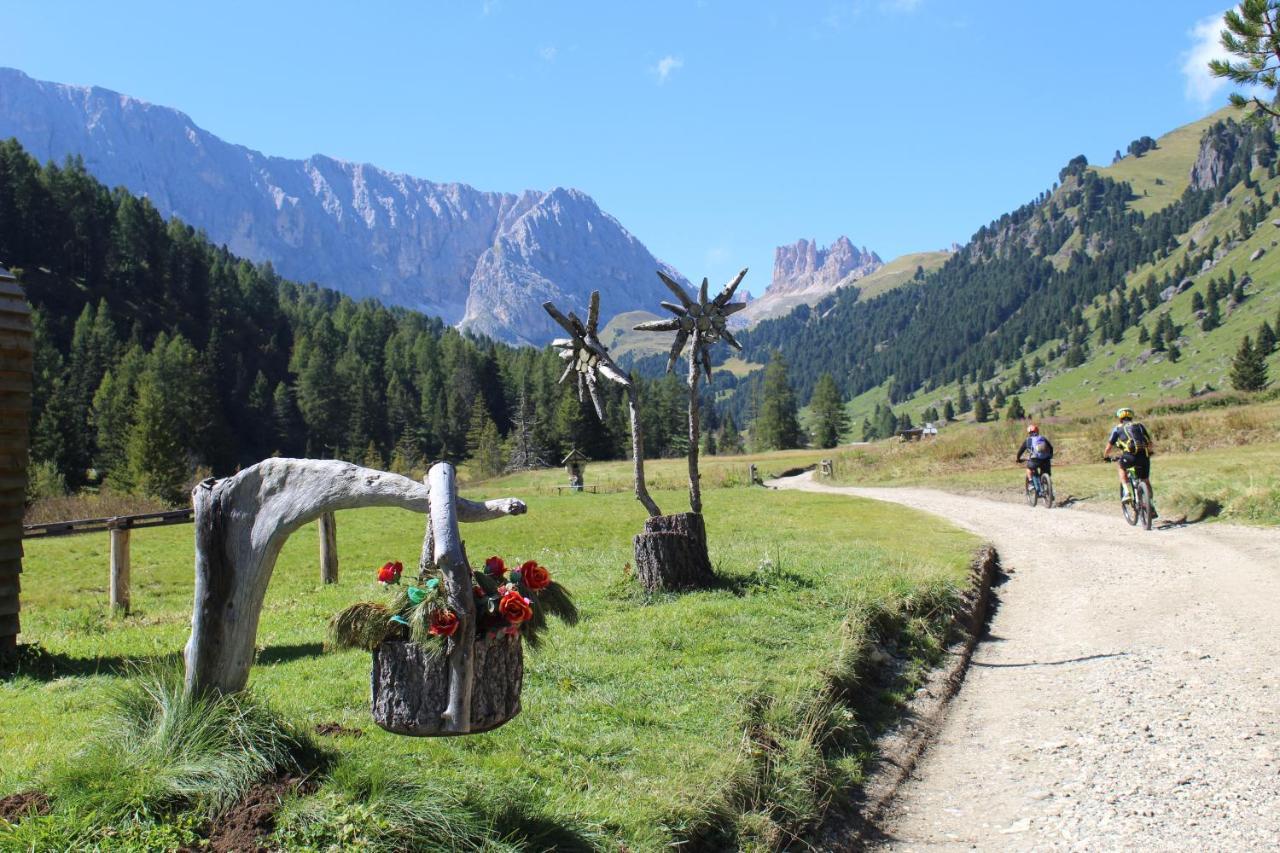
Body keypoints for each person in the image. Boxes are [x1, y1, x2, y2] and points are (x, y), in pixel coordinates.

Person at [1103, 407, 1156, 517]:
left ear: (1120, 418)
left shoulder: (1118, 428)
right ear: (1131, 417)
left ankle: (1126, 492)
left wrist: (1106, 457)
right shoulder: (1140, 426)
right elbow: (1149, 443)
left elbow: (1109, 447)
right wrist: (1150, 452)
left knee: (1121, 467)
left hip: (1129, 456)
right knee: (1145, 480)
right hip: (1144, 457)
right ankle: (1150, 505)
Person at [1015, 423, 1053, 492]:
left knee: (1029, 468)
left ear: (1029, 433)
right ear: (1037, 431)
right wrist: (1050, 456)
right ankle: (1049, 489)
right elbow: (1051, 447)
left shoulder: (1028, 440)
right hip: (1046, 459)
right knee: (1045, 473)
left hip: (1035, 460)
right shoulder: (1043, 438)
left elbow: (1020, 451)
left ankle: (1031, 483)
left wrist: (1018, 459)